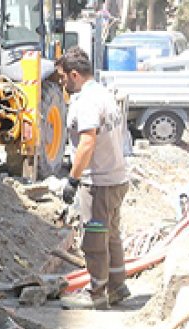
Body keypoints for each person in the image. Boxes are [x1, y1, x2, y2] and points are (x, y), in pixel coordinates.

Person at [56, 47, 130, 310]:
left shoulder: (86, 101)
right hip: (116, 177)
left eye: (64, 78)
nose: (62, 83)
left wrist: (73, 180)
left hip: (99, 182)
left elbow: (87, 142)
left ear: (75, 75)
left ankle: (97, 293)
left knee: (94, 239)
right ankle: (117, 286)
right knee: (112, 236)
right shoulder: (103, 94)